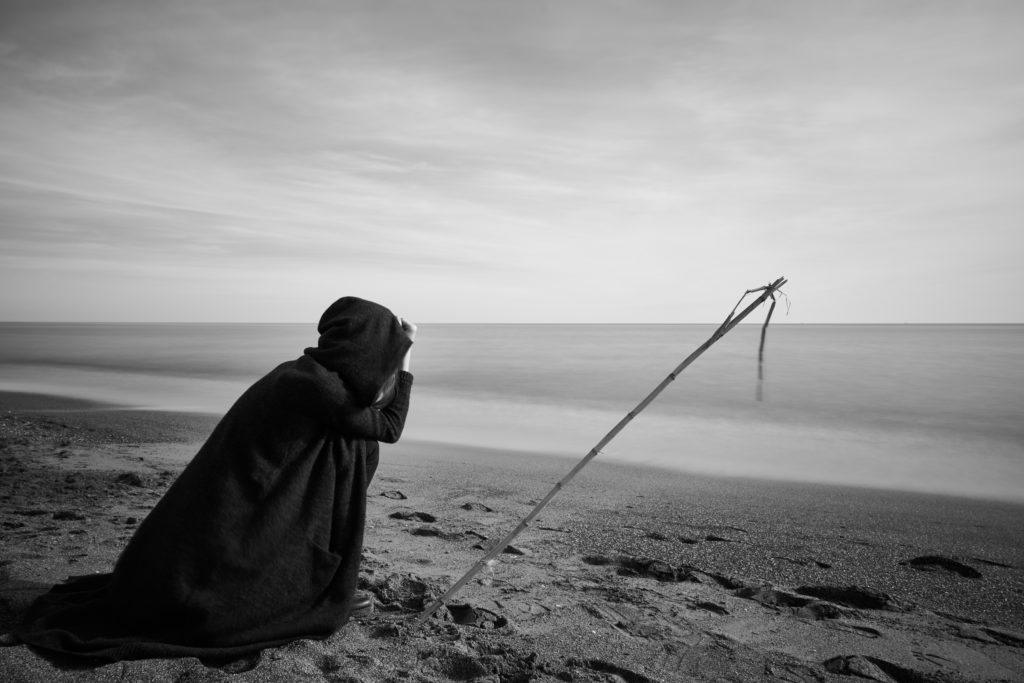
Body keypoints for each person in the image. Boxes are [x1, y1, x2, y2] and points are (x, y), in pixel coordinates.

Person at [15, 296, 416, 661]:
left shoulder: (307, 374)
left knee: (356, 446)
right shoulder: (319, 388)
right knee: (359, 445)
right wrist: (407, 357)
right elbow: (390, 426)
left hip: (244, 494)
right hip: (240, 507)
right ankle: (308, 591)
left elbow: (371, 425)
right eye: (384, 350)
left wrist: (399, 349)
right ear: (365, 347)